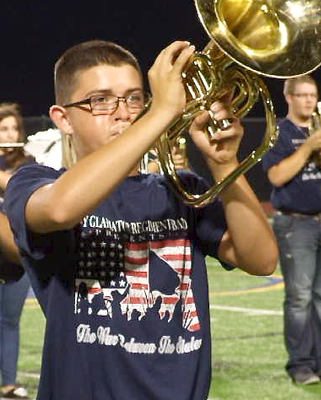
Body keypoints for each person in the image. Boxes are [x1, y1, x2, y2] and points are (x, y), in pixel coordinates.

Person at [4, 39, 278, 400]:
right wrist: (160, 113)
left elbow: (262, 260)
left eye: (134, 98)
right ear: (63, 119)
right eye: (100, 100)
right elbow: (59, 209)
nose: (123, 112)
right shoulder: (37, 181)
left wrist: (224, 165)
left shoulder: (181, 189)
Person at [262, 75, 321, 385]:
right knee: (299, 299)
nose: (309, 100)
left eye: (313, 95)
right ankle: (300, 365)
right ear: (289, 97)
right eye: (303, 95)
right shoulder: (278, 133)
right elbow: (277, 176)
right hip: (296, 224)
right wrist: (308, 146)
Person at [0, 103, 32, 399]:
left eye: (14, 129)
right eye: (4, 129)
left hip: (15, 256)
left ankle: (8, 383)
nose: (10, 134)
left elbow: (19, 192)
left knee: (9, 320)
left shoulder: (29, 164)